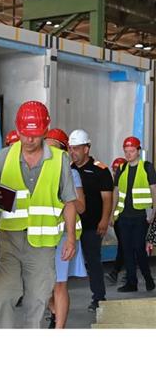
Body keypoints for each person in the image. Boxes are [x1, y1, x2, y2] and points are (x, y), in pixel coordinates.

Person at [0, 101, 79, 329]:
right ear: (17, 129)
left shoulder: (60, 160)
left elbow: (69, 201)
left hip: (42, 245)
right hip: (8, 241)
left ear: (45, 130)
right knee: (4, 296)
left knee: (37, 300)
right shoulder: (3, 157)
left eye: (35, 134)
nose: (29, 140)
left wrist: (70, 238)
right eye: (25, 134)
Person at [44, 128, 87, 329]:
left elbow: (80, 206)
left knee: (59, 285)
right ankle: (53, 310)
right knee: (39, 285)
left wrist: (64, 199)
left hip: (62, 236)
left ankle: (59, 328)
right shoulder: (36, 171)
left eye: (54, 148)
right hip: (40, 236)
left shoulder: (71, 174)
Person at [67, 129, 113, 312]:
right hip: (71, 226)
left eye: (76, 148)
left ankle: (99, 298)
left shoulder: (100, 170)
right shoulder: (68, 169)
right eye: (71, 148)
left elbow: (107, 198)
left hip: (91, 226)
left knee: (93, 262)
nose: (73, 152)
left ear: (86, 148)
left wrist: (104, 220)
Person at [111, 136, 155, 292]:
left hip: (140, 217)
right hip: (123, 217)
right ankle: (132, 283)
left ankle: (148, 278)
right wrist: (112, 214)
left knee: (138, 248)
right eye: (126, 151)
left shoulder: (147, 167)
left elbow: (153, 190)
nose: (128, 154)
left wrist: (154, 212)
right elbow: (116, 192)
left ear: (138, 151)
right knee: (127, 249)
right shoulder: (122, 169)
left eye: (131, 151)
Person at [108, 157, 127, 284]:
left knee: (125, 245)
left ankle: (116, 271)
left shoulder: (125, 182)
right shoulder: (112, 183)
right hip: (118, 219)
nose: (115, 172)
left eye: (117, 169)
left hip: (126, 218)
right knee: (124, 245)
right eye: (114, 170)